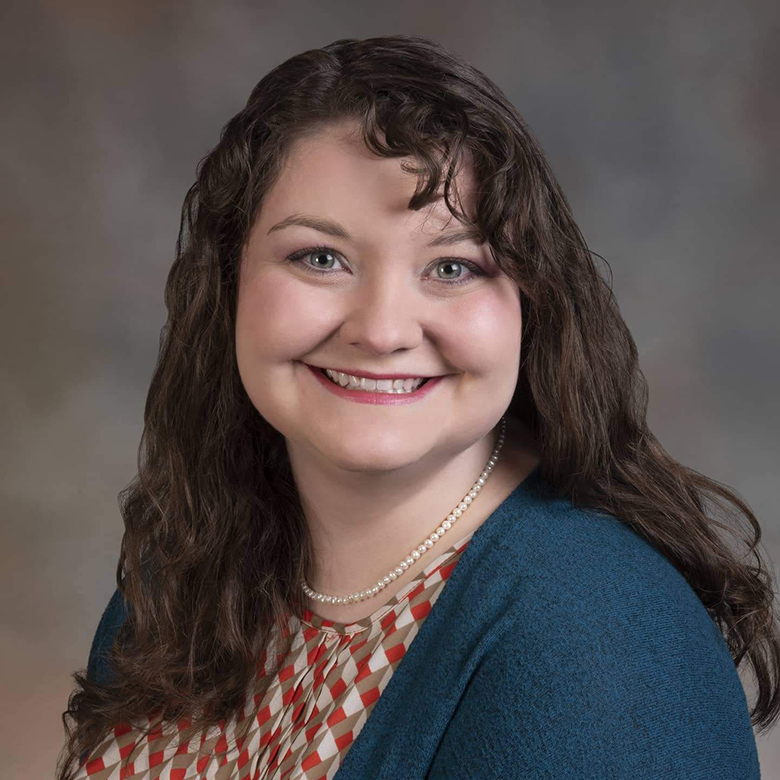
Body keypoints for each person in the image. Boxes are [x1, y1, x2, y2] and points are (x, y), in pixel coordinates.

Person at [58, 34, 777, 779]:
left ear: (533, 304)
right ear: (231, 281)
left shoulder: (598, 639)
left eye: (453, 266)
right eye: (320, 258)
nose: (380, 329)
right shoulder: (191, 566)